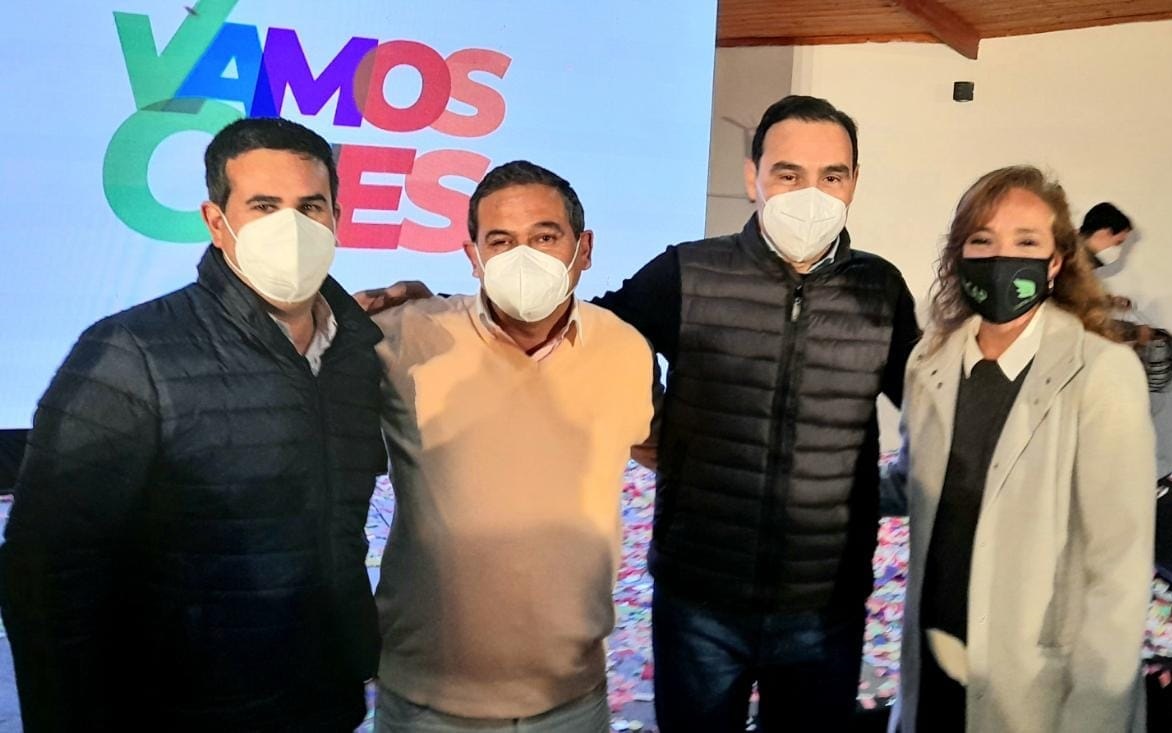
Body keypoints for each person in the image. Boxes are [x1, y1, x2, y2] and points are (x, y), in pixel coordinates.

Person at [0, 117, 385, 731]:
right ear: (216, 221)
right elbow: (46, 570)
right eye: (264, 206)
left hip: (324, 699)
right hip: (182, 708)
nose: (291, 227)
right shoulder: (131, 351)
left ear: (336, 217)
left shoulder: (357, 354)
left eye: (311, 207)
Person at [593, 95, 921, 731]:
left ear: (854, 183)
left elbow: (930, 401)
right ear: (754, 177)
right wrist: (644, 421)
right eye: (789, 174)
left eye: (832, 176)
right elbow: (592, 338)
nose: (811, 194)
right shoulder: (689, 271)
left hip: (824, 604)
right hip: (700, 598)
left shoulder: (880, 289)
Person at [370, 161, 654, 732]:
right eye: (500, 242)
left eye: (545, 237)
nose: (523, 257)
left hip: (571, 701)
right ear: (473, 256)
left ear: (584, 249)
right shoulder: (404, 336)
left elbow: (656, 445)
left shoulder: (625, 349)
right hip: (427, 703)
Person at [891, 166, 1154, 732]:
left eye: (1026, 242)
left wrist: (1095, 714)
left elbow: (1119, 568)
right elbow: (914, 478)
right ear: (959, 255)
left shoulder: (1102, 373)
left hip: (1036, 685)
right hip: (934, 658)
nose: (1001, 258)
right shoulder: (929, 363)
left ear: (1056, 261)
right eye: (982, 240)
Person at [1080, 201, 1133, 267]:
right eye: (1118, 243)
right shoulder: (1070, 260)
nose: (1119, 250)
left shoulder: (1081, 263)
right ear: (1103, 232)